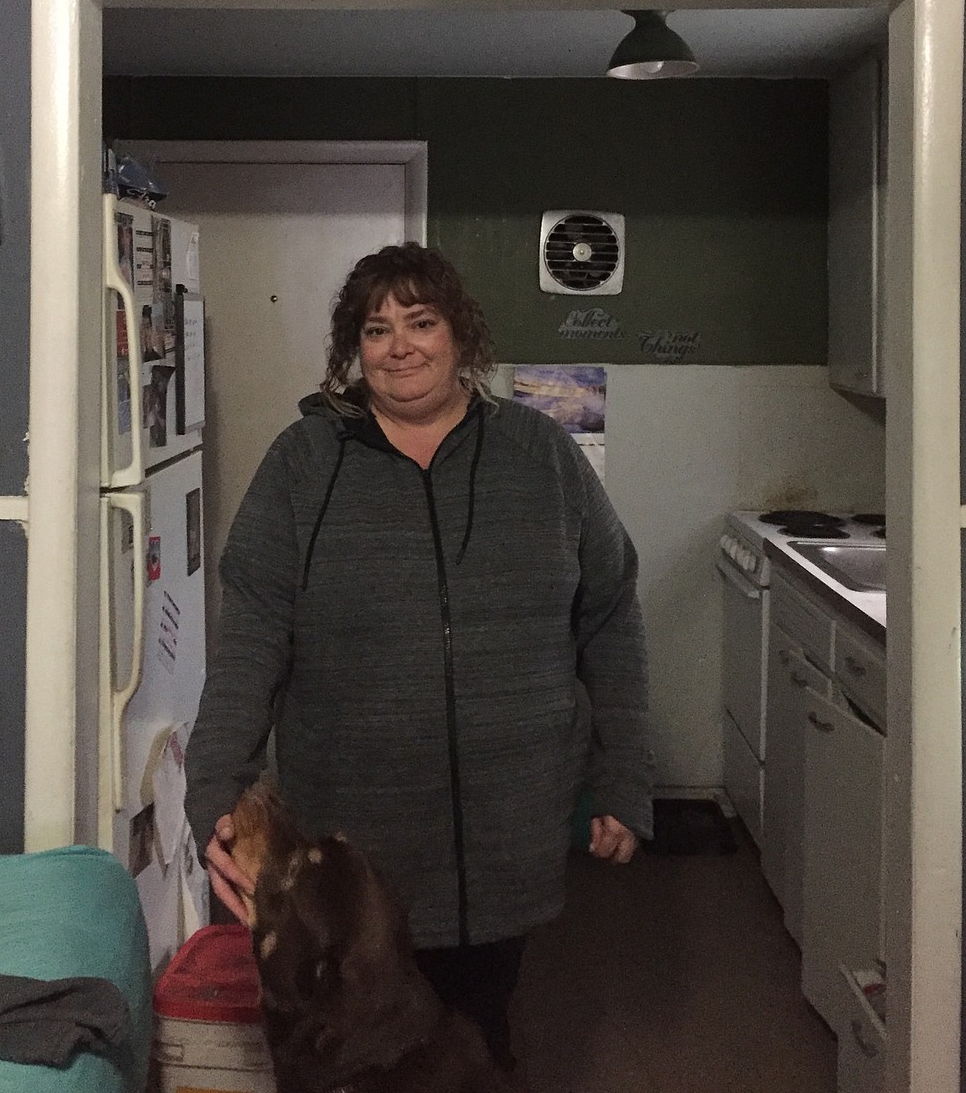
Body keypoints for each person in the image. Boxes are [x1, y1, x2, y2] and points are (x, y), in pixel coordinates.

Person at [185, 243, 652, 1071]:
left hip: (507, 831)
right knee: (350, 1040)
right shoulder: (303, 464)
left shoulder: (543, 456)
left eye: (421, 322)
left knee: (476, 1035)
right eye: (376, 329)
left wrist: (622, 778)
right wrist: (216, 781)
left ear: (460, 336)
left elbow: (609, 616)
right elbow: (254, 628)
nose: (399, 346)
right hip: (357, 855)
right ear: (352, 350)